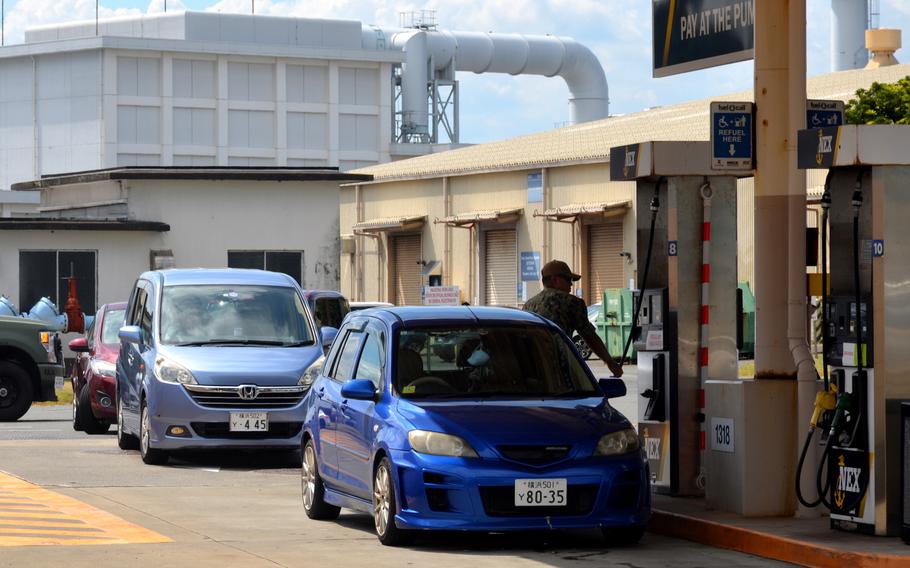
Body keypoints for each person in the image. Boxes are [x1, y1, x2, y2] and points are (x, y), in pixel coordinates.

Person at [523, 260, 624, 377]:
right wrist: (610, 362)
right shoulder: (573, 303)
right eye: (568, 280)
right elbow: (589, 336)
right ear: (555, 280)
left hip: (532, 370)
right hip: (560, 370)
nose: (571, 284)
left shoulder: (528, 305)